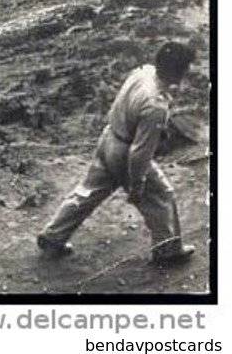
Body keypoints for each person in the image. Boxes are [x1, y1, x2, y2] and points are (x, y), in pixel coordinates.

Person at [37, 42, 196, 266]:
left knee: (88, 191)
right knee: (162, 196)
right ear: (175, 70)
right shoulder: (155, 107)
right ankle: (167, 250)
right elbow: (140, 153)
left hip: (110, 137)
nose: (188, 71)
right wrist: (137, 185)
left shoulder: (144, 72)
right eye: (185, 67)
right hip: (125, 153)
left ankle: (53, 235)